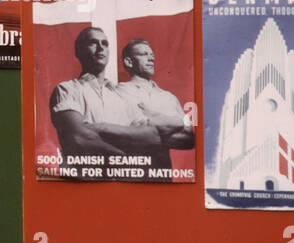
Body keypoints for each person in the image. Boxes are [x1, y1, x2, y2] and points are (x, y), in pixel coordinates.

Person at [49, 27, 184, 174]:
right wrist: (126, 157)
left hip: (116, 184)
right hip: (80, 182)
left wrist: (99, 128)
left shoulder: (120, 95)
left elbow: (151, 136)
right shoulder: (67, 89)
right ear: (79, 51)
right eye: (93, 43)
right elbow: (79, 137)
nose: (100, 48)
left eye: (105, 43)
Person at [113, 39, 194, 169]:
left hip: (163, 177)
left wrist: (152, 116)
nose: (151, 59)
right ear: (129, 62)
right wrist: (173, 123)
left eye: (152, 55)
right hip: (132, 174)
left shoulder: (169, 97)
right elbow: (127, 131)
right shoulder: (119, 92)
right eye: (144, 54)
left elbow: (189, 138)